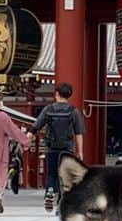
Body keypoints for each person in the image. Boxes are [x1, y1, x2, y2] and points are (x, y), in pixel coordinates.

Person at [31, 82, 85, 212]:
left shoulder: (48, 109)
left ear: (56, 94)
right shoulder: (74, 111)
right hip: (67, 148)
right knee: (64, 177)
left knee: (52, 174)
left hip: (51, 147)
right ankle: (61, 204)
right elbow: (78, 133)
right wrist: (80, 151)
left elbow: (36, 126)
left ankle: (50, 191)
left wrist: (27, 136)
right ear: (69, 95)